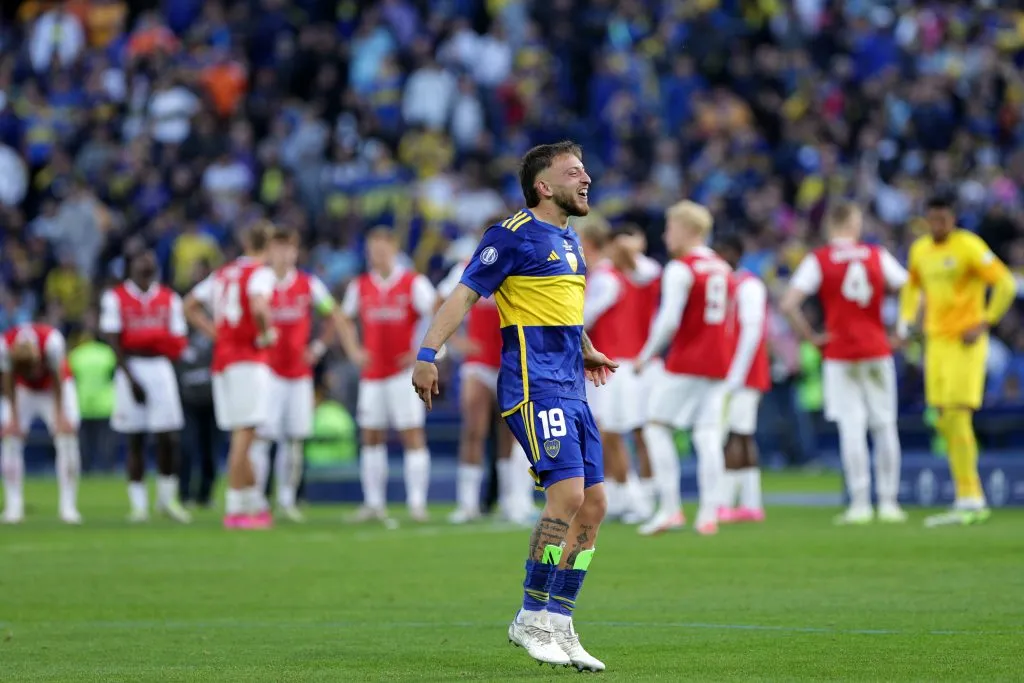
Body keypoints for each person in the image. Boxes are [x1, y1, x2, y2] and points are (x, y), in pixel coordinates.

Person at [413, 141, 617, 671]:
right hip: (533, 385)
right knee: (568, 495)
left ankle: (561, 624)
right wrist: (427, 354)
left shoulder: (570, 241)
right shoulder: (511, 235)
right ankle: (529, 617)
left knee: (595, 506)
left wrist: (586, 345)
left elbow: (559, 309)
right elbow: (463, 295)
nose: (586, 177)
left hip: (571, 383)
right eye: (574, 172)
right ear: (544, 186)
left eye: (585, 167)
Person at [781, 202, 910, 525]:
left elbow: (788, 303)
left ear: (829, 226)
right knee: (884, 425)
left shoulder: (819, 259)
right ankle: (889, 502)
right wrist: (902, 331)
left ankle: (860, 504)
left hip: (839, 352)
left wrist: (810, 335)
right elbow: (911, 289)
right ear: (855, 223)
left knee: (851, 429)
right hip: (876, 348)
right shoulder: (875, 254)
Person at [898, 194, 1017, 527]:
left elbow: (1005, 283)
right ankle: (965, 495)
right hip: (935, 344)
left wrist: (985, 321)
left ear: (953, 218)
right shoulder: (920, 250)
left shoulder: (969, 246)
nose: (938, 226)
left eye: (944, 220)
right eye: (932, 220)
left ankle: (971, 497)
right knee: (943, 418)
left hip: (965, 342)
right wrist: (908, 320)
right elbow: (911, 288)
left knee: (957, 414)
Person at [634, 200, 734, 537]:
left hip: (687, 360)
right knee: (707, 435)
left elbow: (668, 321)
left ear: (687, 230)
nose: (665, 235)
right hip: (719, 361)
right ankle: (708, 515)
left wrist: (646, 355)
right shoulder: (723, 268)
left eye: (670, 227)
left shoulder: (681, 268)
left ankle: (670, 508)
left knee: (655, 426)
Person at [249, 226, 352, 522]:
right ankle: (257, 498)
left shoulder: (309, 284)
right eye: (278, 247)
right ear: (270, 251)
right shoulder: (262, 280)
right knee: (263, 437)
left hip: (298, 372)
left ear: (295, 252)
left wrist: (318, 347)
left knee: (293, 438)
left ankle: (286, 499)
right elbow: (256, 307)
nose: (283, 254)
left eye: (288, 248)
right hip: (267, 370)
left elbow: (332, 315)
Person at [339, 227, 436, 523]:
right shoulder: (361, 285)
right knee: (371, 435)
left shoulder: (413, 283)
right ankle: (373, 503)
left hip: (402, 374)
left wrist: (423, 352)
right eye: (373, 250)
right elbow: (344, 318)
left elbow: (437, 312)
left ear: (394, 249)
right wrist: (354, 350)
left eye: (382, 249)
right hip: (372, 373)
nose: (378, 255)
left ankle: (417, 503)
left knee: (411, 434)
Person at [184, 221, 278, 529]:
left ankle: (255, 505)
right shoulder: (260, 273)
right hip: (248, 361)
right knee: (245, 437)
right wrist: (265, 334)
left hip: (222, 363)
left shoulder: (222, 273)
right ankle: (236, 506)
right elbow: (260, 306)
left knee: (241, 435)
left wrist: (215, 333)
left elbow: (189, 305)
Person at [437, 247, 536, 525]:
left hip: (511, 363)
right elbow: (440, 302)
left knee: (511, 435)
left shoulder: (522, 265)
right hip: (478, 363)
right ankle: (467, 504)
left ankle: (509, 501)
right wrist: (456, 342)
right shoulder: (466, 267)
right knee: (473, 429)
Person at [99, 250, 190, 523]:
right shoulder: (116, 297)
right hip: (131, 367)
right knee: (135, 438)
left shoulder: (168, 298)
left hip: (160, 368)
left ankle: (166, 499)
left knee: (168, 437)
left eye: (151, 261)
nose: (147, 265)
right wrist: (130, 378)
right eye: (142, 261)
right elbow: (114, 340)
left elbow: (177, 339)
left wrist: (147, 339)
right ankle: (138, 505)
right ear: (132, 266)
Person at [579, 220, 649, 523]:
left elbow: (584, 317)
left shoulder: (605, 277)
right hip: (621, 361)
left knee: (610, 433)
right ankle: (621, 498)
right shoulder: (620, 274)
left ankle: (636, 499)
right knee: (610, 432)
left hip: (611, 363)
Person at [0, 323, 82, 524]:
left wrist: (61, 414)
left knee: (67, 439)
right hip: (23, 391)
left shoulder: (52, 341)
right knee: (10, 439)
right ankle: (13, 507)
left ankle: (68, 507)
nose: (32, 373)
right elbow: (7, 380)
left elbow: (58, 377)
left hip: (55, 388)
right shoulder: (4, 346)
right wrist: (13, 417)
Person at [714, 236, 770, 523]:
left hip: (742, 372)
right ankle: (751, 502)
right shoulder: (735, 284)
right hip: (744, 370)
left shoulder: (747, 285)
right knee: (743, 433)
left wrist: (736, 374)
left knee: (732, 433)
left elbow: (751, 331)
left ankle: (724, 501)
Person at [176, 327, 220, 507]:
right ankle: (185, 494)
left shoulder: (217, 332)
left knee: (210, 451)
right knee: (186, 447)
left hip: (213, 401)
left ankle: (205, 493)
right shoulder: (180, 334)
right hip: (188, 401)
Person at [67, 324, 117, 473]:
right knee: (106, 440)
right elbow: (113, 376)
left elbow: (71, 379)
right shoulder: (107, 353)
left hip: (83, 403)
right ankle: (107, 469)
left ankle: (85, 469)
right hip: (104, 403)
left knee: (84, 441)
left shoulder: (76, 355)